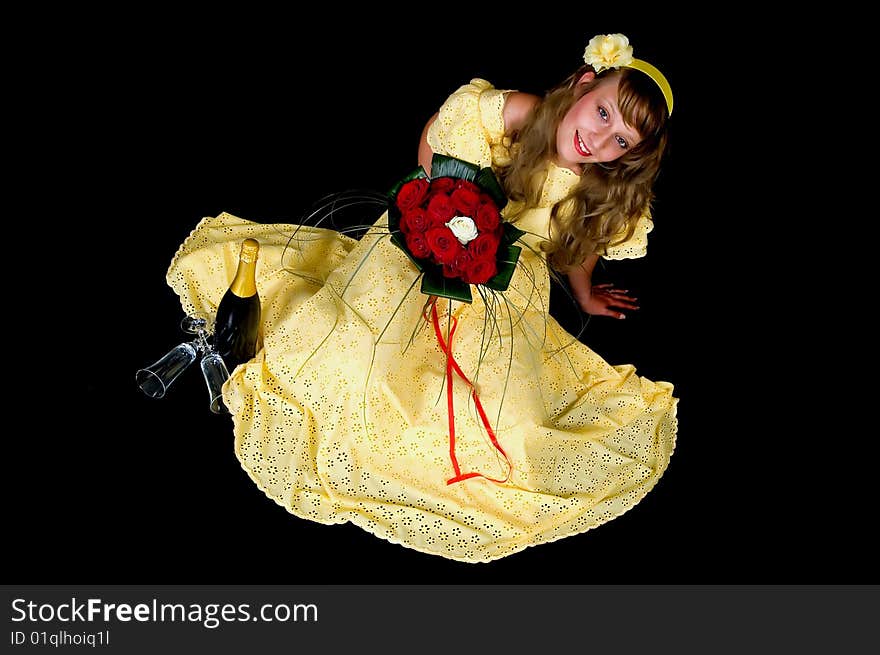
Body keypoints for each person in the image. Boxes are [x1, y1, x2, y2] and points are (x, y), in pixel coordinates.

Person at [165, 33, 677, 563]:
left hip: (502, 287)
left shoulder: (597, 187)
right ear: (584, 84)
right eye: (602, 114)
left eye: (621, 141)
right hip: (427, 246)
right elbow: (437, 138)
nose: (601, 139)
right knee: (357, 354)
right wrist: (433, 202)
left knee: (502, 419)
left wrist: (585, 294)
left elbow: (578, 247)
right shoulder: (519, 115)